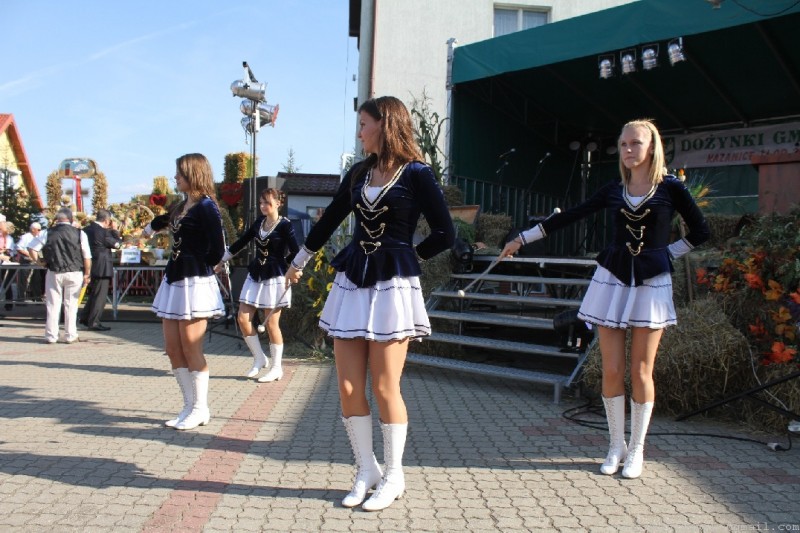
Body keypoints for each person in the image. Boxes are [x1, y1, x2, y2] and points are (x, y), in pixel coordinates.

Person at [500, 119, 710, 479]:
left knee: (641, 371)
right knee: (611, 370)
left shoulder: (671, 188)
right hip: (612, 279)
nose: (628, 150)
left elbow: (701, 231)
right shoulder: (614, 188)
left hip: (651, 283)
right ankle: (616, 445)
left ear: (652, 147)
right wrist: (522, 238)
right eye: (623, 144)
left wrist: (666, 254)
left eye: (635, 143)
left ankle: (637, 448)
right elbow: (572, 215)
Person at [286, 96, 455, 511]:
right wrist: (299, 261)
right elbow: (330, 219)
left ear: (385, 124)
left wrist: (410, 257)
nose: (359, 132)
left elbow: (445, 233)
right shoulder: (359, 173)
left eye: (364, 124)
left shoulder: (417, 173)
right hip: (353, 280)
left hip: (392, 286)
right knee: (347, 386)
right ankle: (367, 469)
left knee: (384, 385)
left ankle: (394, 475)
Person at [144, 153, 225, 431]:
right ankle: (189, 406)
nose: (175, 177)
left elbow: (217, 247)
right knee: (172, 348)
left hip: (195, 282)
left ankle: (201, 408)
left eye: (180, 173)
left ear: (193, 173)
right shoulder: (181, 206)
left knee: (191, 347)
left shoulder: (207, 206)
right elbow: (165, 220)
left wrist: (202, 264)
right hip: (174, 279)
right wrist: (149, 228)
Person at [218, 188, 299, 382]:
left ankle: (277, 368)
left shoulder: (285, 225)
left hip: (275, 276)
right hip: (255, 274)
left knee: (271, 323)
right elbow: (241, 242)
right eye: (261, 202)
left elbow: (296, 251)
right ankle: (259, 358)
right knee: (243, 319)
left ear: (278, 203)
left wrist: (293, 268)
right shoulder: (258, 223)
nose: (263, 206)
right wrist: (222, 260)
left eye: (267, 203)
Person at [28, 208, 92, 344]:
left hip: (54, 271)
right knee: (71, 304)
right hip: (75, 271)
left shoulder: (47, 232)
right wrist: (87, 273)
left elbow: (32, 248)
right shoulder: (80, 233)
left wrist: (39, 262)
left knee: (52, 304)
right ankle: (70, 335)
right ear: (71, 219)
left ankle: (51, 336)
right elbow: (87, 256)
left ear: (57, 219)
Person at [80, 209, 122, 331]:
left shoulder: (86, 230)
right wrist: (115, 231)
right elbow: (117, 244)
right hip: (102, 266)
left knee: (94, 293)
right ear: (107, 220)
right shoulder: (104, 232)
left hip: (89, 264)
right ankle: (94, 322)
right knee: (100, 296)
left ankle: (85, 317)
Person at [15, 222, 43, 301]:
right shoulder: (26, 237)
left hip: (35, 261)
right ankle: (21, 299)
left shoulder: (38, 237)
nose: (40, 231)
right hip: (26, 261)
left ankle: (37, 298)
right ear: (33, 229)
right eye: (38, 230)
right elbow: (19, 248)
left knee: (36, 280)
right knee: (23, 280)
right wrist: (29, 254)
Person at [0, 216, 16, 309]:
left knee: (7, 283)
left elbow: (11, 250)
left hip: (7, 261)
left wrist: (7, 252)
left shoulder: (9, 238)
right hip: (2, 259)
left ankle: (9, 303)